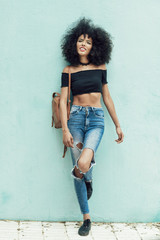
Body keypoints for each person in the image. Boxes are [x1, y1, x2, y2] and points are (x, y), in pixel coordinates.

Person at [60, 17, 124, 236]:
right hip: (75, 119)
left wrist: (117, 124)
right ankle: (86, 218)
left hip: (96, 120)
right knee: (78, 170)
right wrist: (65, 130)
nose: (83, 44)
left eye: (87, 41)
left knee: (84, 163)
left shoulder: (101, 67)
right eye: (80, 40)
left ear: (94, 45)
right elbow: (63, 101)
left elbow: (107, 97)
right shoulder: (68, 70)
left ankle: (88, 177)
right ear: (74, 44)